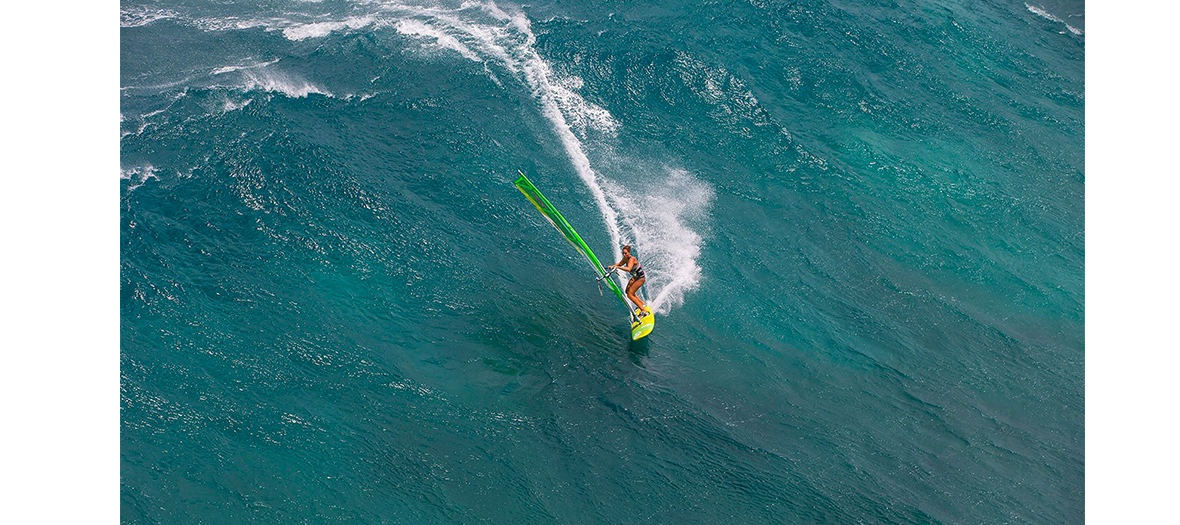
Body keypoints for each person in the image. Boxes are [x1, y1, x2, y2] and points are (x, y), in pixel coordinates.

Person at [608, 244, 648, 315]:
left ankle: (643, 310)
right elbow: (620, 264)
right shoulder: (625, 258)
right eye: (623, 253)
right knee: (627, 291)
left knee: (630, 294)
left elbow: (628, 268)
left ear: (629, 252)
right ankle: (641, 304)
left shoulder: (632, 259)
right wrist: (613, 266)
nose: (624, 254)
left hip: (640, 278)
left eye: (626, 253)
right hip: (635, 278)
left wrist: (618, 268)